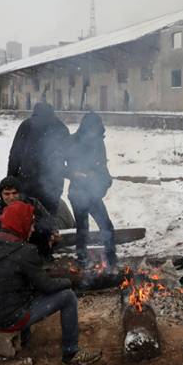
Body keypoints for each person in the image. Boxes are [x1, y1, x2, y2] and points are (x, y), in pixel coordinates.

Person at [0, 201, 102, 365]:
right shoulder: (24, 251)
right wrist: (69, 281)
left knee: (19, 289)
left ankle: (25, 338)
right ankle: (71, 354)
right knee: (68, 297)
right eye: (31, 223)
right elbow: (47, 286)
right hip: (10, 318)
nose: (33, 229)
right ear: (21, 223)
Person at [65, 112, 117, 269]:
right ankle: (81, 259)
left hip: (93, 192)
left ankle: (111, 259)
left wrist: (103, 180)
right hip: (77, 192)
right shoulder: (72, 141)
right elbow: (60, 167)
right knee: (83, 227)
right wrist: (74, 173)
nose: (93, 133)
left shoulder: (98, 143)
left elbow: (102, 166)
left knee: (106, 226)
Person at [7, 102, 70, 215]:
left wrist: (10, 178)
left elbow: (15, 154)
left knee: (26, 216)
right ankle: (48, 231)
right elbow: (69, 154)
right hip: (53, 183)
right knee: (49, 217)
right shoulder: (61, 127)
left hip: (28, 181)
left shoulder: (26, 125)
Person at [0, 176, 59, 260]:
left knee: (41, 228)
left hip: (33, 241)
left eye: (14, 193)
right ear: (1, 194)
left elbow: (48, 219)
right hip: (9, 246)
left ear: (19, 193)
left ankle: (42, 258)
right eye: (7, 194)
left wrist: (53, 232)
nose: (11, 198)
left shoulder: (32, 203)